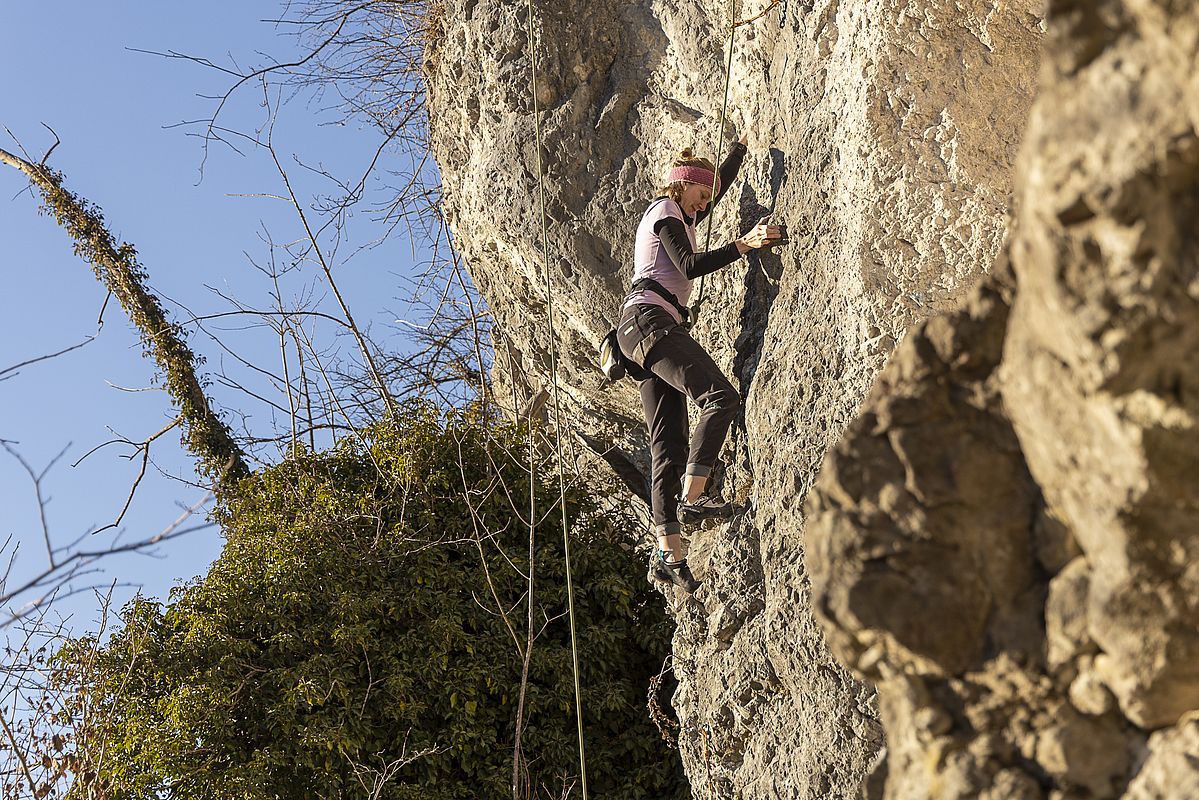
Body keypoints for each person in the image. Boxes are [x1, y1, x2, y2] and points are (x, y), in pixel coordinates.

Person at [616, 135, 782, 593]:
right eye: (701, 193)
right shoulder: (665, 211)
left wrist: (740, 150)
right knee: (720, 397)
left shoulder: (683, 213)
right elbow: (687, 265)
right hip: (650, 321)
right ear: (681, 186)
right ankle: (691, 500)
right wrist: (744, 244)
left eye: (709, 195)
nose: (706, 201)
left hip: (640, 331)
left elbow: (718, 185)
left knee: (666, 444)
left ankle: (668, 551)